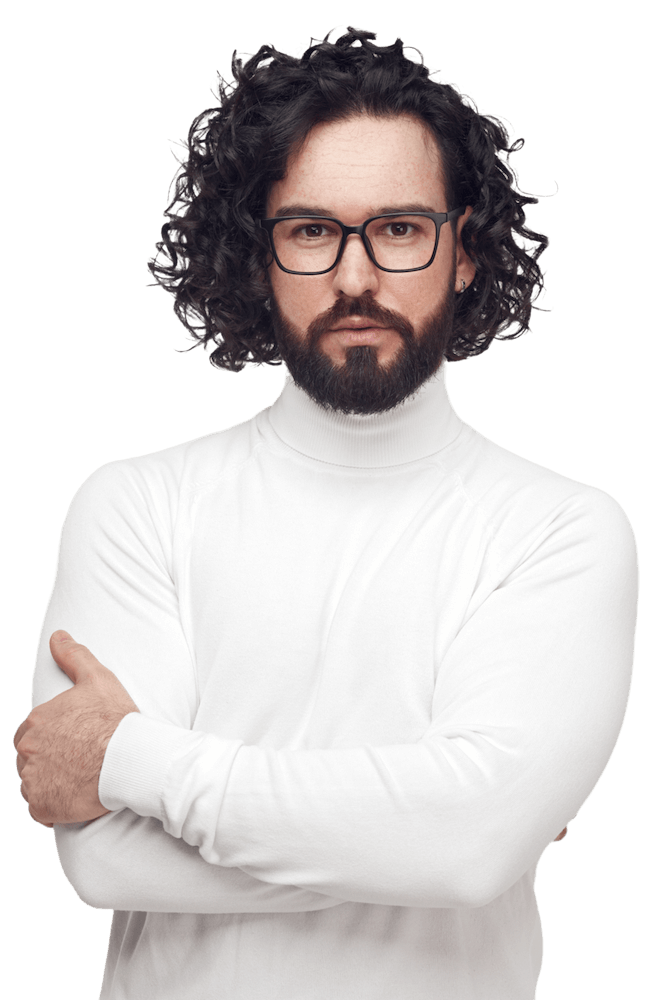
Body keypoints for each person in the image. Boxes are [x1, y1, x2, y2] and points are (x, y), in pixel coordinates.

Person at [15, 26, 639, 1000]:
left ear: (464, 250)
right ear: (257, 254)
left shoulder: (561, 529)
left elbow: (468, 849)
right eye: (311, 231)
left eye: (399, 229)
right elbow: (103, 863)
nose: (355, 278)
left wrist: (129, 758)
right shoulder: (136, 506)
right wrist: (441, 828)